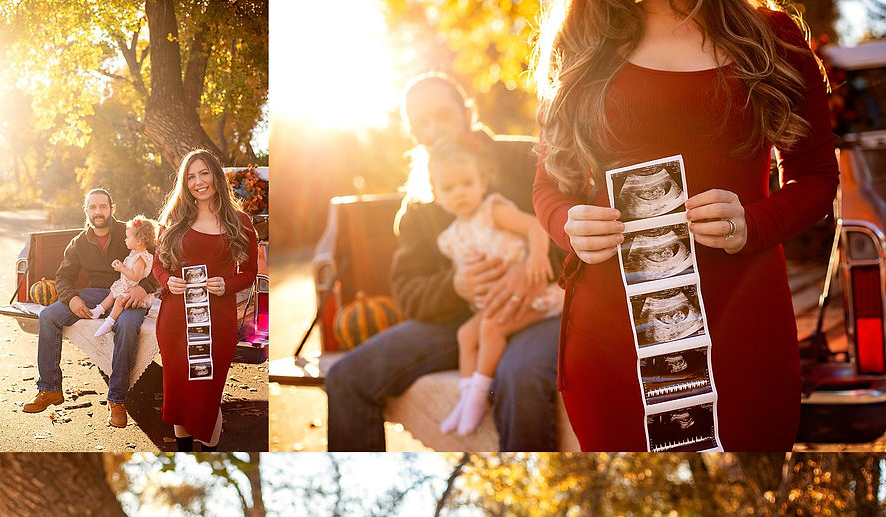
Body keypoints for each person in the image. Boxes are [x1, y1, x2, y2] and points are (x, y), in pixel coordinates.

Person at [531, 0, 840, 450]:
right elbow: (549, 186)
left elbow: (816, 177)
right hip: (612, 338)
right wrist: (567, 224)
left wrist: (753, 223)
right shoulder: (581, 37)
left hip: (742, 323)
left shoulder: (772, 37)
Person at [325, 72, 563, 451]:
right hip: (463, 317)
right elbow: (407, 292)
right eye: (421, 124)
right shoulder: (420, 205)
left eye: (442, 115)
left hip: (540, 306)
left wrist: (532, 266)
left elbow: (569, 229)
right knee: (346, 377)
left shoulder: (527, 158)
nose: (433, 129)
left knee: (518, 375)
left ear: (467, 113)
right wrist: (456, 285)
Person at [426, 139, 565, 436]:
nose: (460, 192)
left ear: (482, 183)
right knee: (466, 334)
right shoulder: (450, 238)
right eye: (449, 188)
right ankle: (465, 397)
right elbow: (463, 274)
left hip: (533, 293)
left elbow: (535, 226)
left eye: (467, 183)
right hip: (498, 302)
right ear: (436, 195)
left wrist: (536, 256)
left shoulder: (493, 210)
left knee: (490, 328)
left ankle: (479, 395)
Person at [22, 188, 158, 429]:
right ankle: (50, 388)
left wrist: (144, 288)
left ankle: (116, 400)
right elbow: (63, 277)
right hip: (95, 293)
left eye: (102, 206)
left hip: (128, 294)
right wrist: (72, 298)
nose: (98, 212)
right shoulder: (79, 242)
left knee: (127, 326)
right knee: (48, 316)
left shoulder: (130, 231)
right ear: (86, 211)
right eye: (92, 207)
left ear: (111, 209)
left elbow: (158, 262)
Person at [151, 149, 258, 451]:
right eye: (191, 177)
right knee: (180, 394)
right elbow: (158, 265)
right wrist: (166, 281)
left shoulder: (240, 221)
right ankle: (184, 452)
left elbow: (250, 272)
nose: (198, 182)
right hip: (177, 321)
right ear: (184, 183)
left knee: (206, 394)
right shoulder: (174, 219)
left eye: (204, 173)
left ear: (216, 176)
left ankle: (208, 449)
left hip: (217, 322)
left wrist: (227, 285)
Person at [92, 215, 158, 337]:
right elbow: (130, 268)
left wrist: (121, 269)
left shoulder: (141, 258)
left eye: (127, 238)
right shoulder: (134, 253)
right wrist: (121, 264)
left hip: (134, 290)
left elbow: (136, 277)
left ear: (138, 241)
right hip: (127, 285)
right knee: (112, 293)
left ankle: (109, 322)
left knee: (119, 300)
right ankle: (98, 310)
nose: (125, 240)